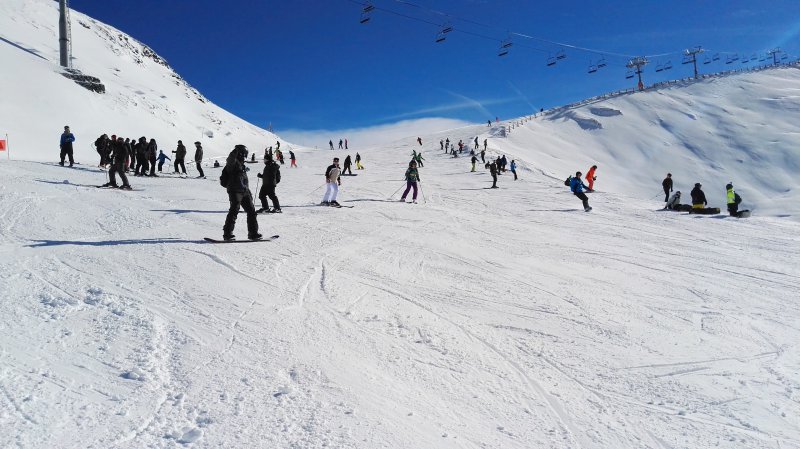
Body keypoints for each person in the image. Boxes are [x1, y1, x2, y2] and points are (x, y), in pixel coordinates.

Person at [222, 145, 260, 241]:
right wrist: (235, 151)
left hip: (244, 191)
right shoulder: (232, 163)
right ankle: (227, 234)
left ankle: (253, 233)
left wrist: (248, 192)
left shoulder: (241, 165)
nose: (245, 156)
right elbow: (230, 159)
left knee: (251, 211)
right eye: (244, 154)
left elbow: (243, 180)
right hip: (235, 190)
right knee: (234, 210)